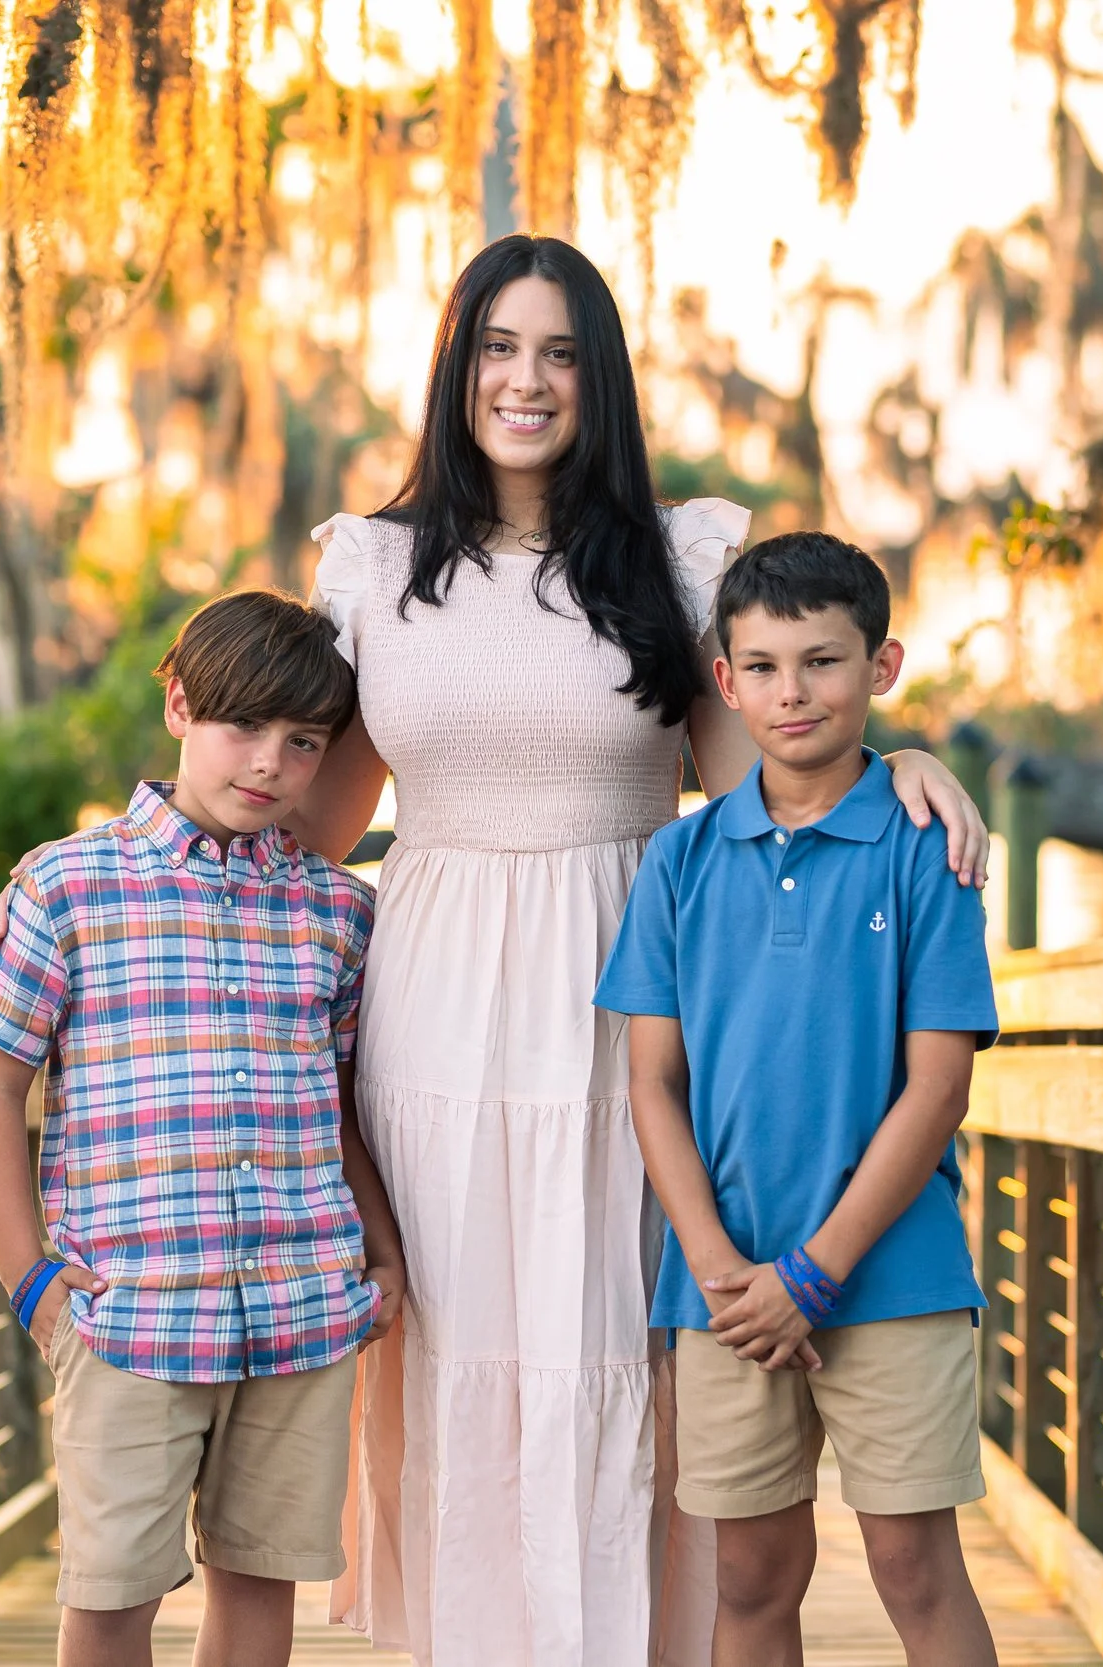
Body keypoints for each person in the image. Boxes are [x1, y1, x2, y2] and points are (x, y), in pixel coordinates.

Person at [278, 234, 992, 1665]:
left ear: (596, 377)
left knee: (625, 1354)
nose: (525, 379)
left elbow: (768, 776)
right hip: (431, 1017)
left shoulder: (676, 561)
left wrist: (905, 759)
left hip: (632, 1009)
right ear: (456, 366)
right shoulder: (376, 567)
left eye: (558, 352)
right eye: (497, 346)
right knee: (459, 1354)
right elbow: (309, 826)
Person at [0, 589, 409, 1667]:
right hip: (132, 1311)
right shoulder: (68, 884)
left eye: (304, 741)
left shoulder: (338, 909)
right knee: (112, 1594)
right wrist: (31, 1282)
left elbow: (341, 1102)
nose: (270, 763)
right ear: (178, 706)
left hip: (301, 1304)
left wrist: (382, 1250)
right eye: (243, 725)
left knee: (260, 1584)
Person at [594, 531, 1003, 1667]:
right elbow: (651, 1081)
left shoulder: (924, 847)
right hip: (726, 1292)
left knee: (916, 1569)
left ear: (881, 666)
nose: (794, 691)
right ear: (725, 682)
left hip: (892, 1276)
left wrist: (814, 1275)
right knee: (751, 1578)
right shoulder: (680, 861)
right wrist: (720, 1266)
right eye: (765, 667)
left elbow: (939, 1088)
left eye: (823, 661)